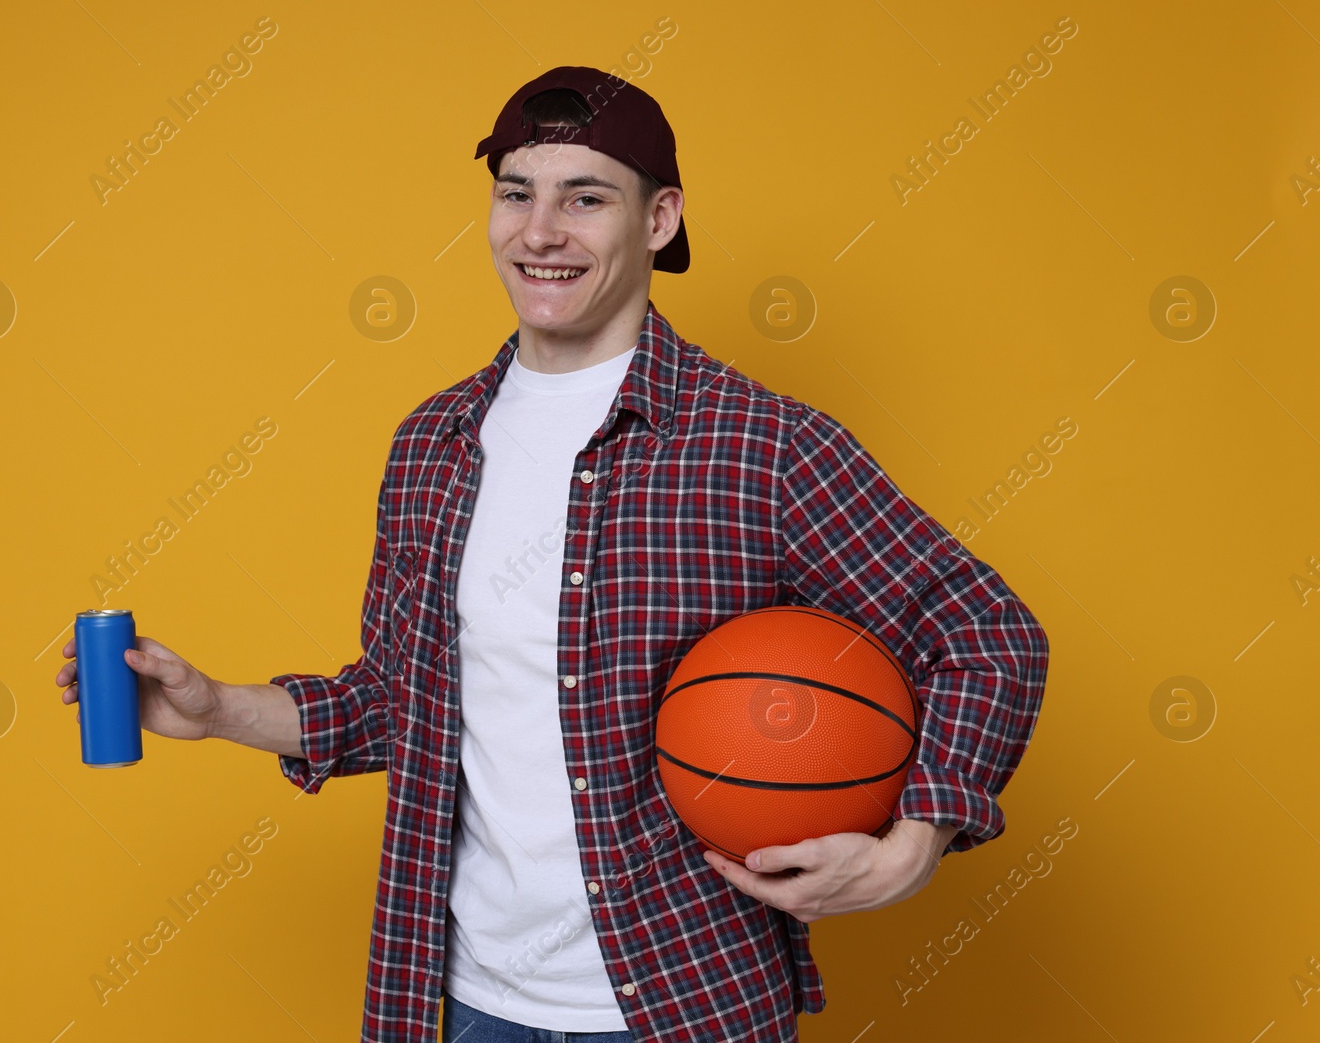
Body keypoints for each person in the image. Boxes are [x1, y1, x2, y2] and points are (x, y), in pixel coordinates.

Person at [56, 65, 1048, 1043]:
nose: (540, 232)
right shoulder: (431, 443)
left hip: (681, 1002)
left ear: (658, 220)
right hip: (461, 993)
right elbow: (406, 702)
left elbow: (987, 632)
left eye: (585, 197)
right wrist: (219, 707)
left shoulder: (757, 445)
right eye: (515, 194)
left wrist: (914, 843)